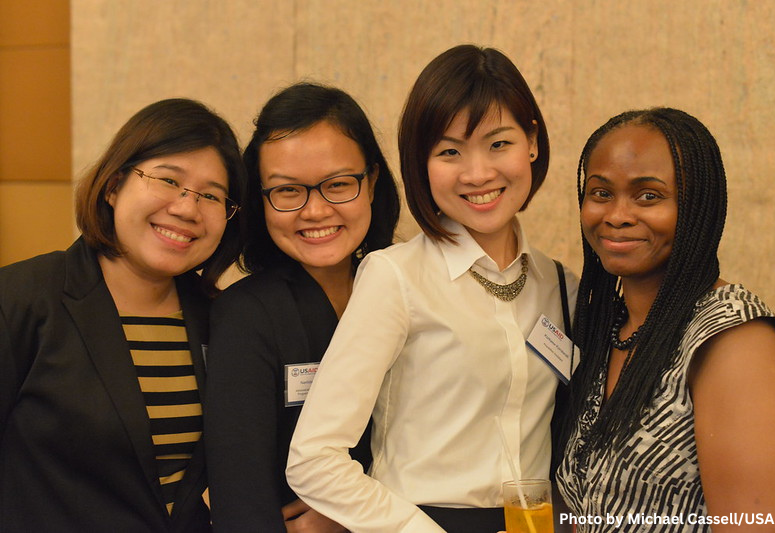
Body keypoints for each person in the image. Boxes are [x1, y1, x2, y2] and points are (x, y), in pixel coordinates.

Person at [286, 44, 578, 533]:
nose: (478, 173)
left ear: (532, 141)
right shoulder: (394, 276)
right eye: (449, 151)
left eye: (498, 144)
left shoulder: (561, 285)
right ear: (420, 162)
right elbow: (313, 457)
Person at [0, 98, 246, 531]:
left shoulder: (221, 318)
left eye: (211, 195)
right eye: (169, 180)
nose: (187, 209)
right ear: (113, 186)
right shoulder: (21, 299)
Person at [556, 108, 775, 531]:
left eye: (648, 195)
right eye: (600, 193)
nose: (616, 215)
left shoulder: (734, 341)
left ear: (697, 206)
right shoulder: (606, 328)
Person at [204, 82, 401, 532]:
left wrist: (352, 515)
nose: (314, 211)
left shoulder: (408, 289)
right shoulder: (246, 316)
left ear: (371, 182)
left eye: (337, 184)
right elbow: (241, 499)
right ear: (261, 198)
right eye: (288, 191)